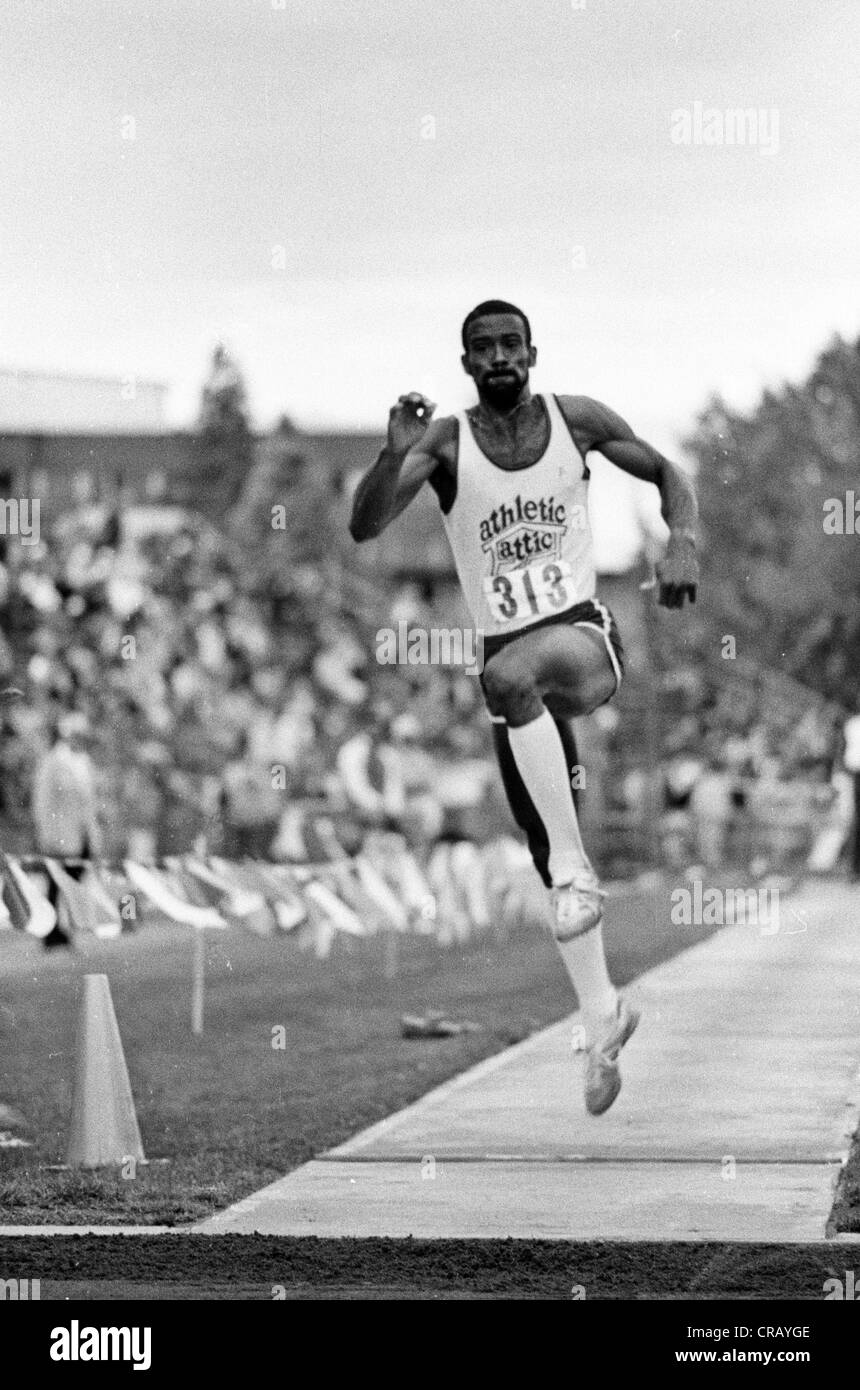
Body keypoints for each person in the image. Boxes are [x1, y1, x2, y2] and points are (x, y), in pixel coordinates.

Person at [350, 299, 699, 1113]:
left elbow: (668, 475)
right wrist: (389, 453)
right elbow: (366, 525)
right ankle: (601, 1016)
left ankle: (581, 875)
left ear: (532, 352)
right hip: (512, 682)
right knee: (548, 858)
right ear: (466, 364)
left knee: (509, 678)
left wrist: (683, 541)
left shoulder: (576, 422)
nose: (500, 356)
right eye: (483, 348)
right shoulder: (445, 445)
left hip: (580, 639)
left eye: (511, 343)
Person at [31, 712, 103, 948]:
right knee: (55, 884)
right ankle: (52, 932)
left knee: (73, 881)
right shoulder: (53, 761)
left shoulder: (82, 761)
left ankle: (66, 928)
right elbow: (42, 801)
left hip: (79, 834)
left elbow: (88, 801)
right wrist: (47, 833)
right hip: (58, 835)